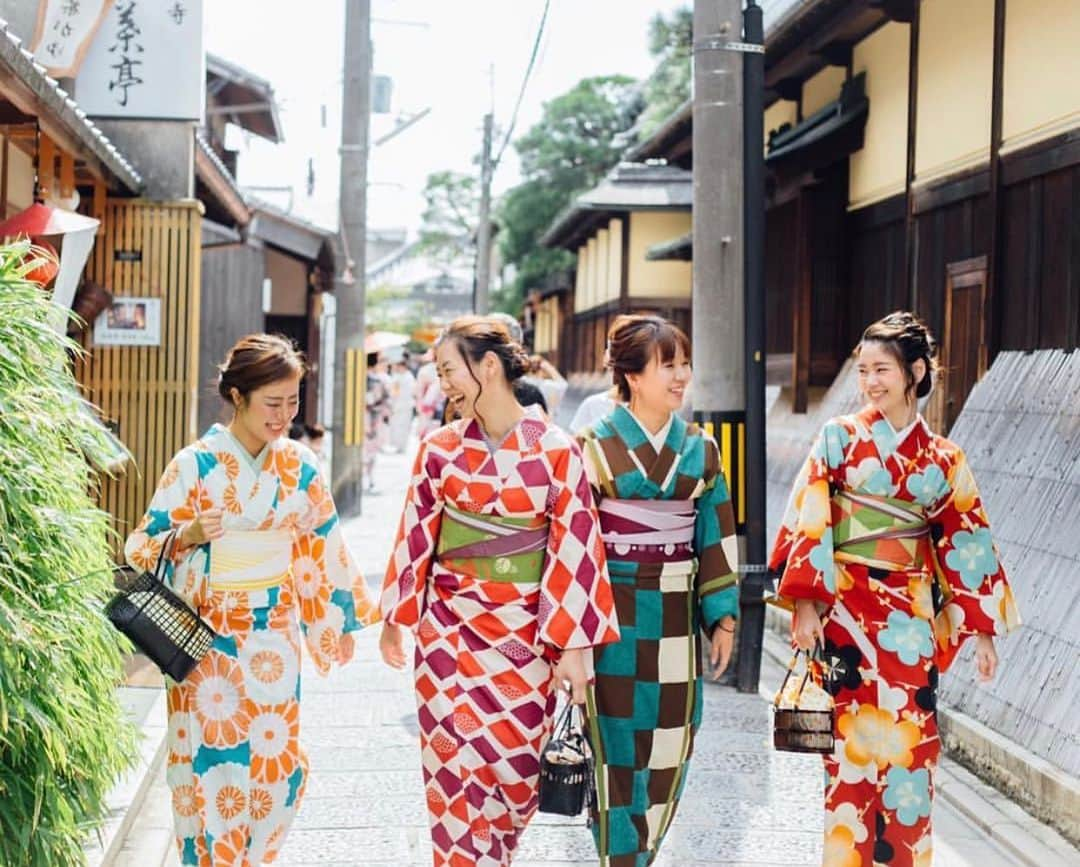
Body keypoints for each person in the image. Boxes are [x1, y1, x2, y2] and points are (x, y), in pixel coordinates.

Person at [768, 311, 1020, 867]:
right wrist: (805, 605)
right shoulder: (839, 439)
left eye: (882, 369)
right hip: (845, 617)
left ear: (916, 372)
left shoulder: (943, 459)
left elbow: (966, 540)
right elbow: (810, 517)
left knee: (912, 757)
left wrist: (981, 631)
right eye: (863, 372)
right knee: (848, 760)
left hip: (910, 622)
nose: (871, 382)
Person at [124, 333, 379, 866]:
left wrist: (337, 622)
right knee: (212, 770)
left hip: (274, 643)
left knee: (277, 770)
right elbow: (142, 548)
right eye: (273, 403)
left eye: (293, 402)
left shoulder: (301, 467)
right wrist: (189, 533)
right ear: (238, 396)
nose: (284, 414)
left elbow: (321, 547)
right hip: (207, 645)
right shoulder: (194, 465)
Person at [379, 316, 620, 867]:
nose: (444, 386)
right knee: (452, 776)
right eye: (438, 374)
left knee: (515, 781)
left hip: (525, 642)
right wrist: (396, 615)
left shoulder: (557, 450)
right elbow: (417, 533)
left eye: (449, 371)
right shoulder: (439, 449)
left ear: (488, 366)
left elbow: (576, 546)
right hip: (448, 638)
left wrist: (574, 645)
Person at [576, 314, 739, 867]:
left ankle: (642, 852)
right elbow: (576, 548)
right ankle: (624, 859)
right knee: (617, 748)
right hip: (611, 615)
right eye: (667, 365)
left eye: (684, 363)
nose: (681, 376)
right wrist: (571, 638)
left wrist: (724, 616)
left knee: (672, 740)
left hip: (674, 610)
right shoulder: (591, 448)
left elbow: (715, 533)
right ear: (632, 376)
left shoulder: (702, 450)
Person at [387, 358, 417, 453]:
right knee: (397, 425)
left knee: (403, 425)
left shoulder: (408, 377)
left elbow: (396, 392)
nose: (396, 368)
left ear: (403, 366)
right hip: (399, 404)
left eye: (398, 366)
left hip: (404, 404)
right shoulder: (400, 376)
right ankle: (398, 445)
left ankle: (401, 446)